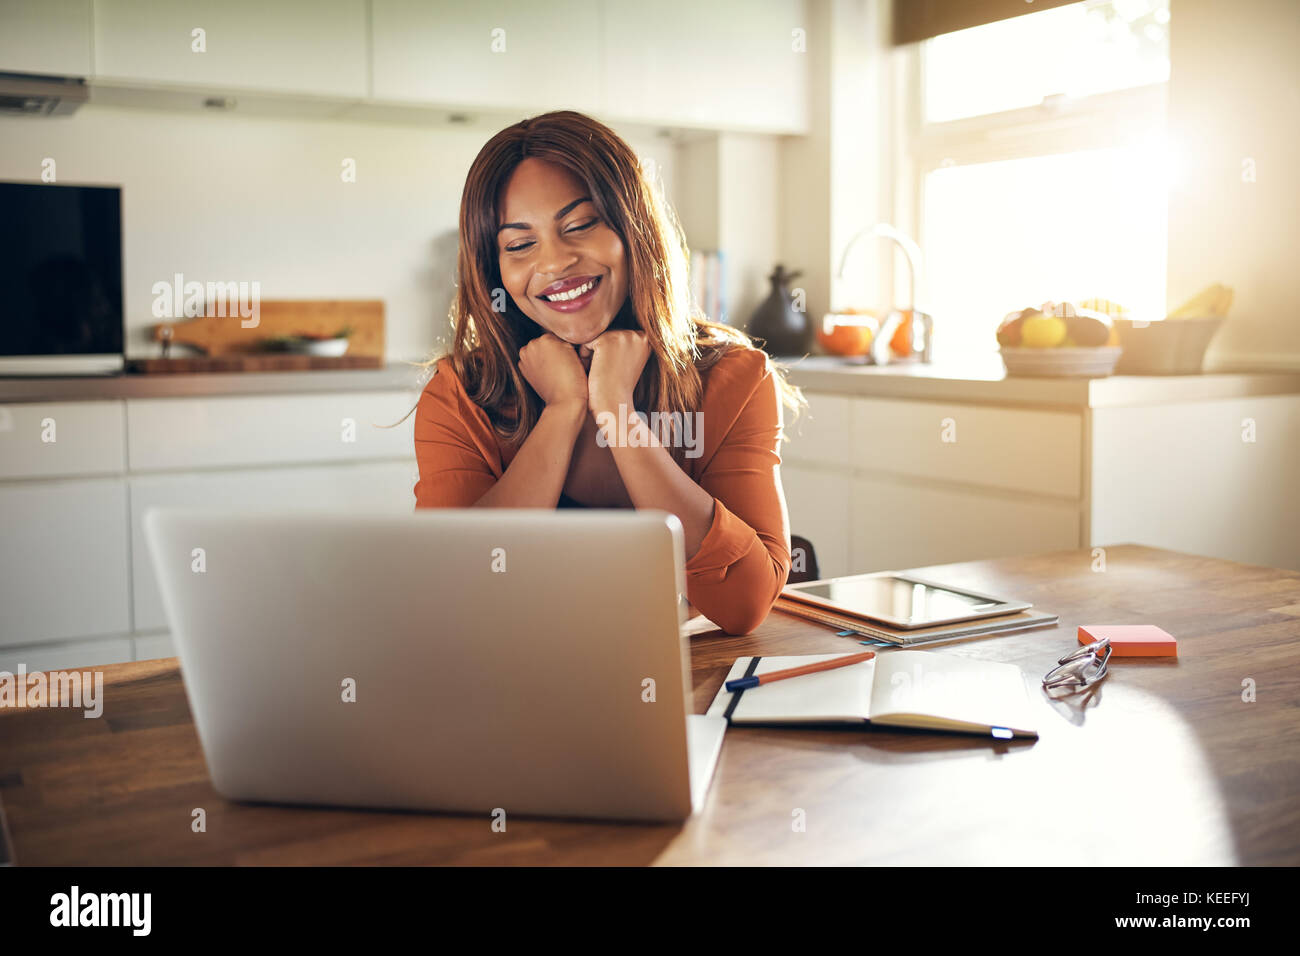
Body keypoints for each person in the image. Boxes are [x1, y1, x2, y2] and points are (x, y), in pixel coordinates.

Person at [412, 110, 806, 635]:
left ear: (632, 228)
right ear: (495, 268)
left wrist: (617, 410)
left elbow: (744, 605)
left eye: (580, 225)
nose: (554, 263)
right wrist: (563, 409)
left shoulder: (734, 378)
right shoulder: (461, 393)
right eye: (519, 244)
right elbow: (450, 598)